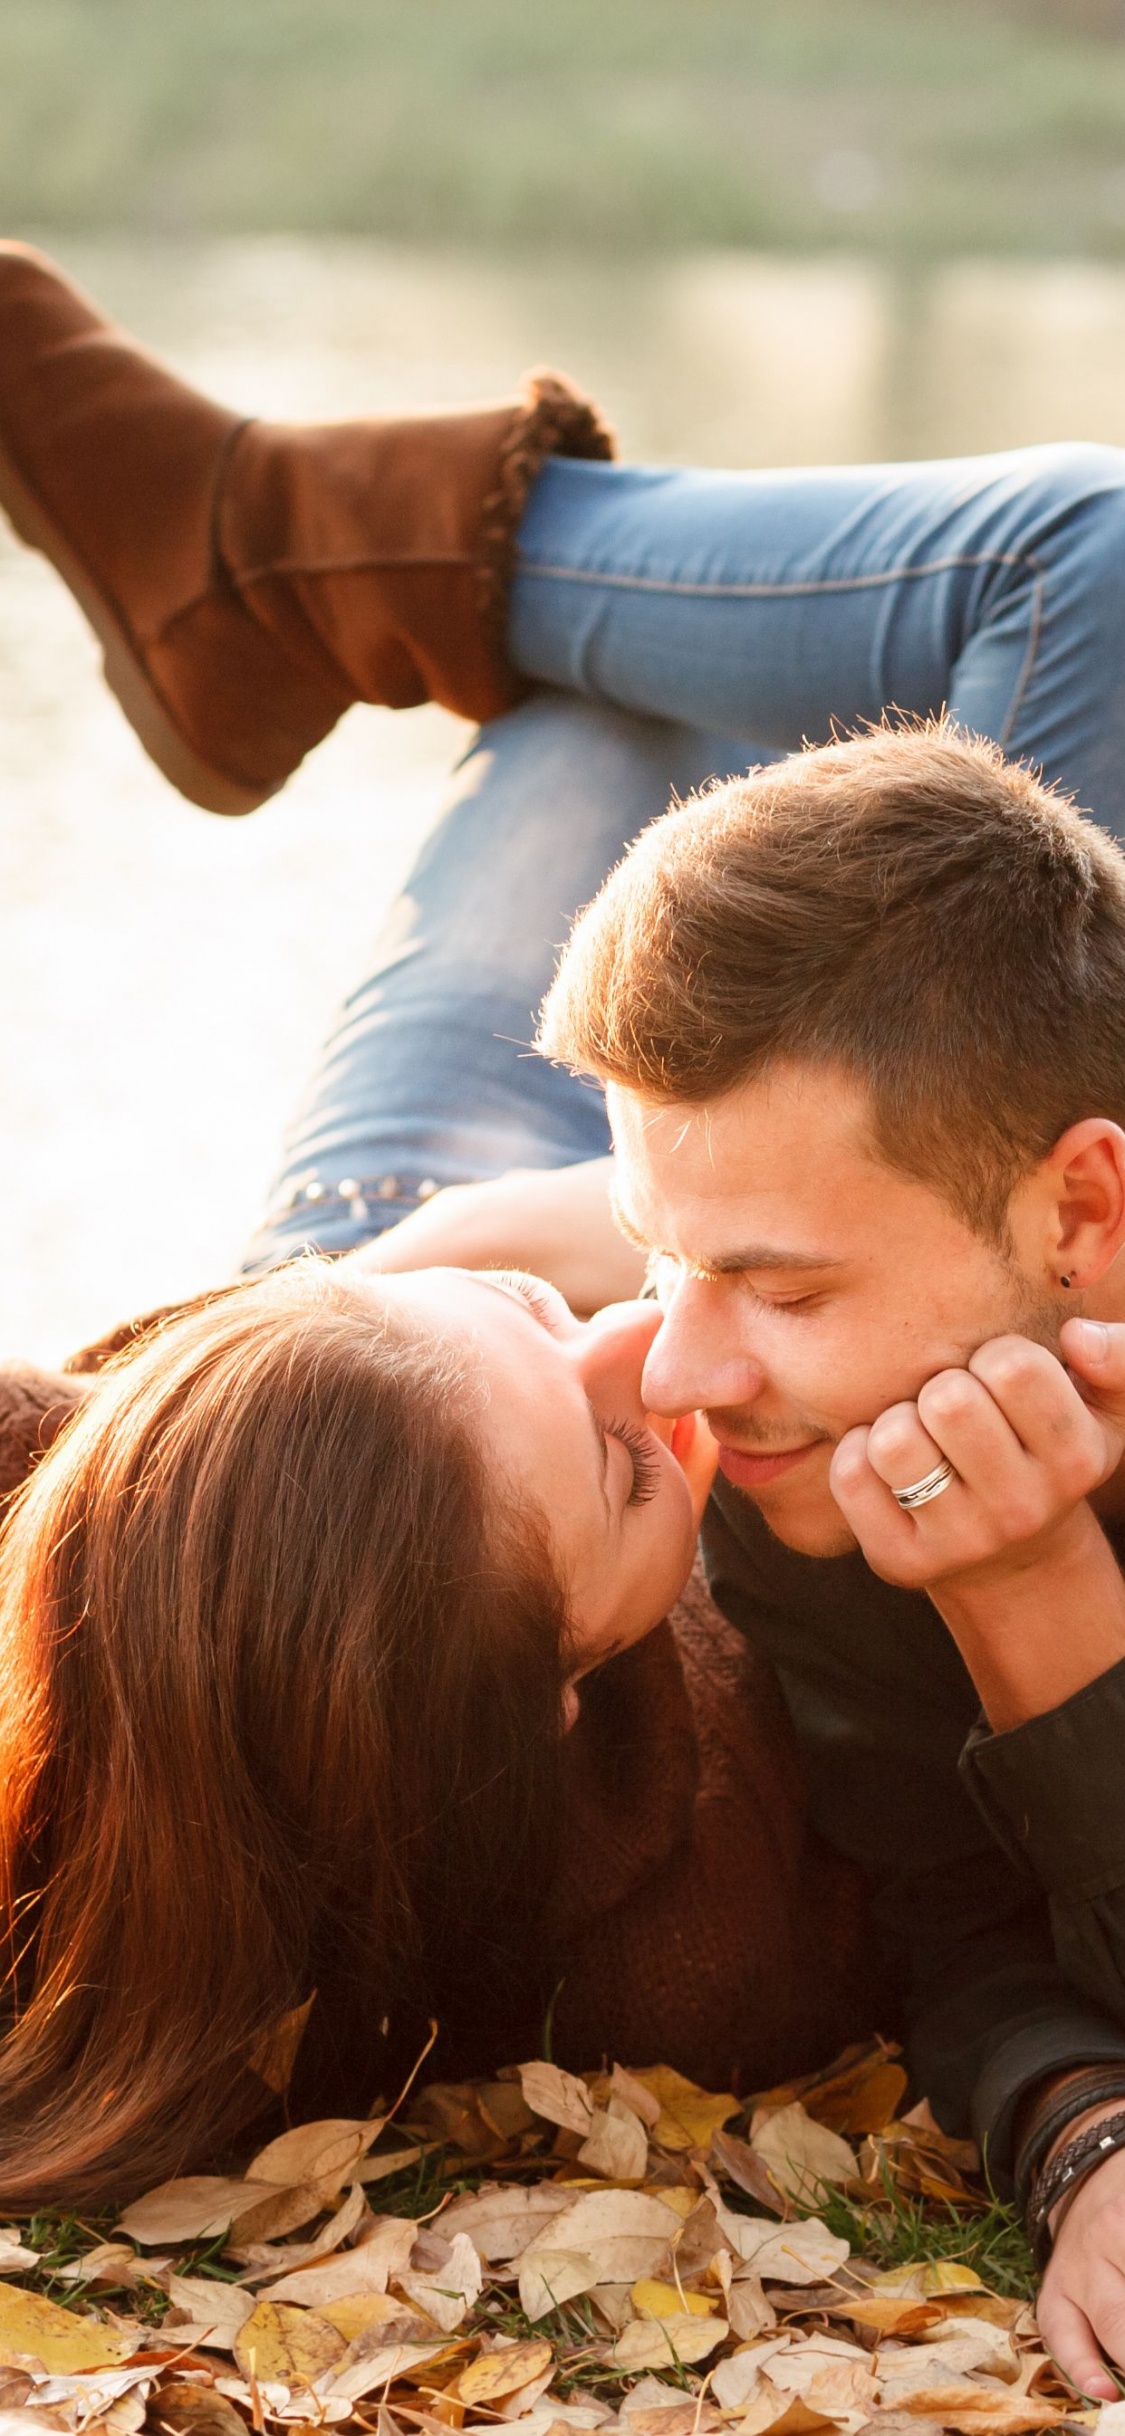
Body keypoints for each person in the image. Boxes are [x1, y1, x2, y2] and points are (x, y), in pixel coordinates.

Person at [6, 243, 1125, 2389]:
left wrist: (466, 1276)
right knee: (976, 593)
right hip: (487, 1289)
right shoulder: (787, 1567)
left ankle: (255, 554)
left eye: (754, 1303)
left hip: (359, 1272)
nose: (673, 1360)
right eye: (637, 1459)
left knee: (691, 696)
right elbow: (970, 1924)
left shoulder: (577, 1423)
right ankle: (258, 545)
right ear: (568, 1685)